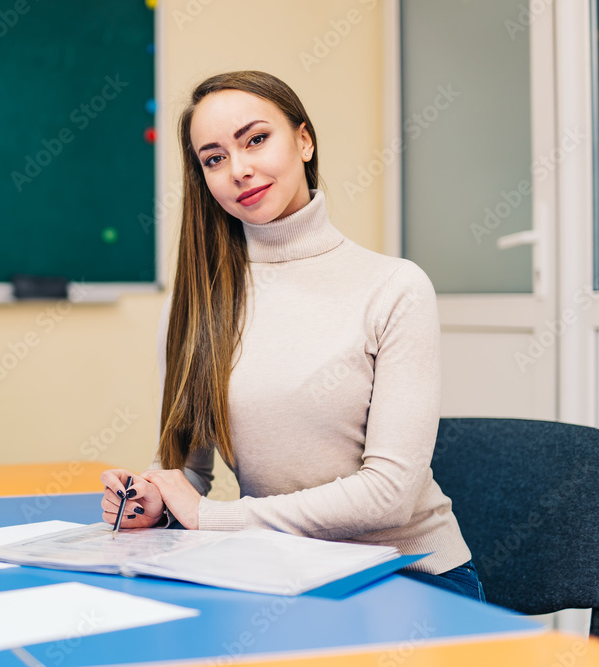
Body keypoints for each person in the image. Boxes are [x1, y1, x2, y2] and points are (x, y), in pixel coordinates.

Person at [99, 70, 484, 601]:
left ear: (304, 141)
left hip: (407, 575)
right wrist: (153, 498)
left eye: (256, 139)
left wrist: (217, 519)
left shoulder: (395, 287)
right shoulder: (194, 302)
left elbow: (390, 495)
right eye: (213, 158)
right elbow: (188, 469)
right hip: (279, 572)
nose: (239, 169)